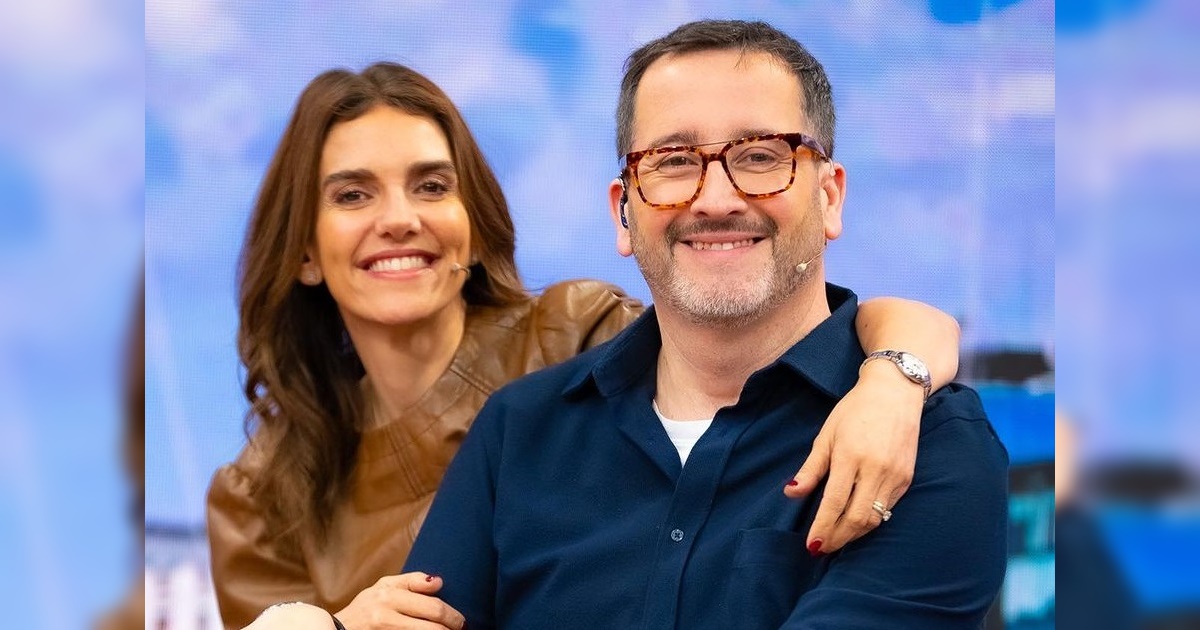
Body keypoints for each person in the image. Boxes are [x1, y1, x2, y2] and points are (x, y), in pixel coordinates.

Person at [210, 61, 965, 630]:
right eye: (352, 195)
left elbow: (800, 334)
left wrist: (895, 380)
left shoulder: (571, 335)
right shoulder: (256, 497)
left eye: (433, 186)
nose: (400, 218)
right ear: (303, 250)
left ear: (473, 223)